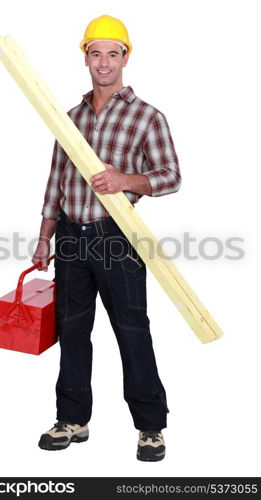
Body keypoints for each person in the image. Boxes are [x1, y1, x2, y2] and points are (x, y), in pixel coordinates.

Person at [32, 14, 181, 462]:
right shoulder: (70, 117)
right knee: (73, 331)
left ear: (125, 57)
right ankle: (73, 420)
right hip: (72, 241)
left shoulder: (147, 116)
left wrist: (125, 181)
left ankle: (150, 427)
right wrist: (45, 238)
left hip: (117, 237)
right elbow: (56, 180)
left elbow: (171, 176)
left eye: (112, 53)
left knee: (132, 330)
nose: (103, 62)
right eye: (95, 53)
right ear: (86, 58)